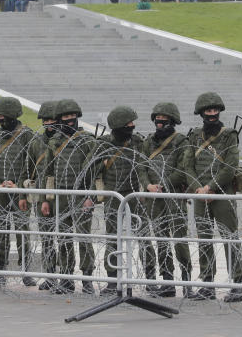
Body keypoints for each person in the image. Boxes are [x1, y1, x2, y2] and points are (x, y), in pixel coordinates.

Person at [186, 92, 242, 302]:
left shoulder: (229, 135)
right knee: (204, 239)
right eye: (208, 110)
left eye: (215, 110)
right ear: (201, 113)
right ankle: (208, 283)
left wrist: (211, 188)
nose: (212, 114)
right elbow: (187, 166)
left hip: (222, 193)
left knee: (230, 237)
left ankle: (237, 283)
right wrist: (199, 189)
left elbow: (229, 167)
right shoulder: (193, 136)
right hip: (200, 194)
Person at [39, 99, 98, 294]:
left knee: (83, 237)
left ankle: (87, 278)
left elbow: (94, 173)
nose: (70, 119)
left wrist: (92, 197)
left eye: (72, 116)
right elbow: (49, 173)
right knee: (64, 238)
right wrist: (47, 199)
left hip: (82, 195)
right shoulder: (54, 142)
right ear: (59, 119)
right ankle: (66, 278)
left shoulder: (87, 140)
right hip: (61, 195)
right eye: (65, 117)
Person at [0, 97, 41, 288]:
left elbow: (30, 162)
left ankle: (25, 270)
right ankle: (1, 270)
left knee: (22, 231)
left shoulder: (26, 135)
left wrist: (19, 185)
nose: (0, 119)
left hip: (20, 192)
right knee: (2, 232)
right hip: (0, 191)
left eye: (3, 116)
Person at [97, 106, 154, 295]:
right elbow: (92, 169)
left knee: (143, 235)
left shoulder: (138, 142)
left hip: (134, 194)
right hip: (113, 196)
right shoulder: (104, 144)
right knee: (112, 237)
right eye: (128, 124)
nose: (132, 126)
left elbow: (146, 166)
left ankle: (150, 277)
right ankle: (113, 278)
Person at [140, 102, 193, 297]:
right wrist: (148, 185)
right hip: (155, 198)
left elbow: (183, 169)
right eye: (157, 121)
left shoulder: (181, 142)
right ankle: (168, 280)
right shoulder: (148, 142)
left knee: (179, 239)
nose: (160, 124)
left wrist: (163, 184)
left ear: (172, 121)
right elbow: (141, 167)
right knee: (161, 240)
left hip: (173, 197)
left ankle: (187, 281)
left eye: (164, 121)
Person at [32, 101, 59, 291]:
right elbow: (29, 169)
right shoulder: (36, 143)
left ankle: (68, 276)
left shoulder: (67, 142)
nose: (48, 123)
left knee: (67, 238)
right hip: (43, 197)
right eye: (45, 120)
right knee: (47, 238)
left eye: (52, 120)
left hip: (65, 194)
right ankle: (50, 275)